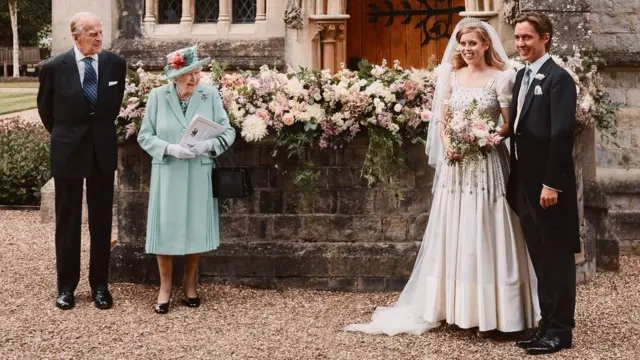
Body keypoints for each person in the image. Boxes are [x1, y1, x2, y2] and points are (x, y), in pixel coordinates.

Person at [344, 18, 539, 336]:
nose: (467, 49)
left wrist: (487, 137)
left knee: (488, 228)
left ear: (486, 45)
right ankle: (454, 306)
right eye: (463, 44)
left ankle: (499, 310)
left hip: (487, 164)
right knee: (456, 228)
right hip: (456, 166)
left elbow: (508, 123)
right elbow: (442, 121)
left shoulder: (503, 77)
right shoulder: (450, 74)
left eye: (473, 43)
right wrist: (449, 145)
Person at [37, 12, 127, 310]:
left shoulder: (116, 64)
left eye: (100, 32)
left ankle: (100, 286)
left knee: (101, 222)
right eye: (92, 33)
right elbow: (46, 112)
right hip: (67, 151)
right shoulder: (52, 68)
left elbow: (112, 109)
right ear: (76, 37)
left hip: (102, 152)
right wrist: (68, 136)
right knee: (67, 222)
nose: (99, 37)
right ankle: (66, 287)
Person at [137, 45, 236, 314]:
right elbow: (144, 136)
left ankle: (190, 284)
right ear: (174, 75)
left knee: (194, 227)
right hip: (168, 169)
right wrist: (169, 148)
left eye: (197, 71)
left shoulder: (210, 95)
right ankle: (165, 287)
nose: (194, 78)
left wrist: (207, 146)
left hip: (198, 169)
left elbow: (228, 133)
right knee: (165, 229)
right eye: (187, 73)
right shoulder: (158, 96)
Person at [507, 11, 579, 355]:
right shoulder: (522, 76)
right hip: (525, 184)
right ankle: (545, 325)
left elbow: (562, 135)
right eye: (518, 38)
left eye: (527, 38)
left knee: (557, 258)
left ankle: (561, 331)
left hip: (549, 189)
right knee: (540, 258)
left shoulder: (558, 79)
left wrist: (552, 184)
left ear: (545, 38)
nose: (521, 44)